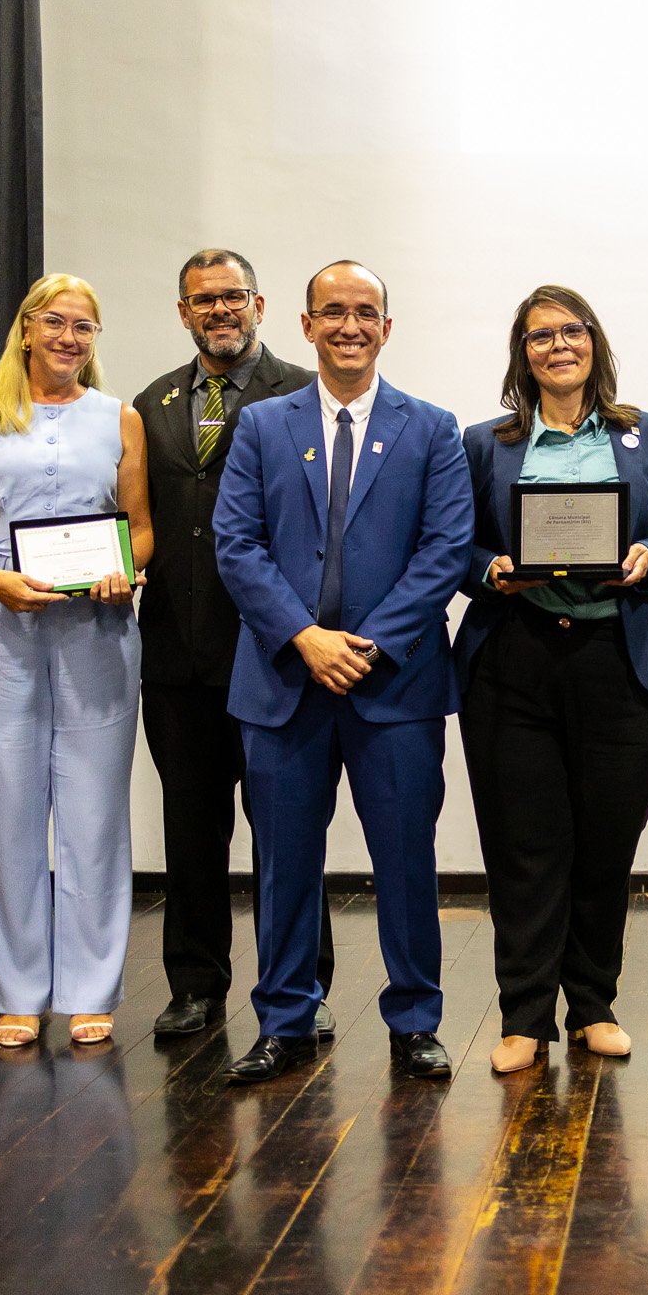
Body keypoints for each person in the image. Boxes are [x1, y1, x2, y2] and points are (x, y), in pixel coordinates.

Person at [213, 260, 472, 1083]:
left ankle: (415, 1019)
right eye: (333, 312)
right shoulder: (262, 426)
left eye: (365, 312)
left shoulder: (432, 428)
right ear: (305, 324)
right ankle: (285, 1018)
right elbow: (236, 544)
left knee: (405, 859)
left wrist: (366, 644)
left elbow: (445, 551)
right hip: (283, 682)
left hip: (394, 684)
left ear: (386, 328)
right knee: (285, 863)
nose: (349, 326)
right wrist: (304, 637)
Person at [454, 285, 648, 1075]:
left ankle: (593, 1005)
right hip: (514, 660)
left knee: (604, 845)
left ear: (595, 342)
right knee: (523, 849)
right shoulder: (485, 443)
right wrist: (492, 569)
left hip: (620, 661)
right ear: (522, 353)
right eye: (541, 336)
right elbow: (452, 545)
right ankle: (524, 1016)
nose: (558, 345)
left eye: (572, 330)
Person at [0, 273, 154, 1048]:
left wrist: (124, 568)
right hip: (0, 623)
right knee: (8, 810)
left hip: (98, 628)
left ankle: (91, 989)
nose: (68, 337)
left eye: (83, 326)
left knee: (95, 814)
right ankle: (18, 991)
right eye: (55, 322)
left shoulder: (119, 417)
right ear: (26, 327)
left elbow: (139, 527)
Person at [135, 249, 338, 1040]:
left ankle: (304, 982)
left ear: (260, 304)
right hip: (177, 656)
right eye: (203, 300)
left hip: (274, 652)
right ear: (183, 312)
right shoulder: (152, 403)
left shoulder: (306, 393)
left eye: (233, 296)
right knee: (190, 831)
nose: (219, 310)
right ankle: (195, 983)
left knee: (289, 832)